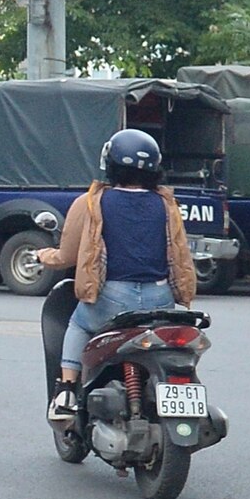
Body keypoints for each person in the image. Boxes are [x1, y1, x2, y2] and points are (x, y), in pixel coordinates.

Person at [38, 129, 197, 423]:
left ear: (110, 164)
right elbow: (178, 250)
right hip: (160, 298)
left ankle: (67, 392)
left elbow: (67, 257)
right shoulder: (166, 204)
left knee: (78, 324)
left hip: (112, 298)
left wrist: (42, 255)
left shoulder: (91, 202)